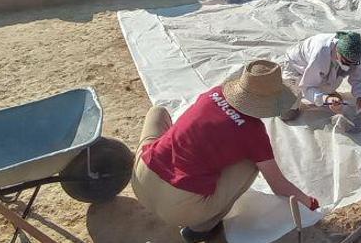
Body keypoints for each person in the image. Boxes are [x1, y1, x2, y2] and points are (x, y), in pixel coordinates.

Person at [131, 60, 319, 243]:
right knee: (253, 164)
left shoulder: (213, 93)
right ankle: (201, 228)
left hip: (141, 178)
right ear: (272, 102)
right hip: (179, 208)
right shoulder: (254, 133)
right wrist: (308, 202)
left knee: (157, 112)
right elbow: (278, 185)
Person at [280, 31, 361, 121]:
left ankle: (327, 93)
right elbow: (307, 87)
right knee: (288, 114)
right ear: (336, 50)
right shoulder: (320, 54)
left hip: (326, 67)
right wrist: (326, 99)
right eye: (345, 62)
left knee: (330, 92)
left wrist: (360, 98)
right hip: (295, 66)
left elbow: (359, 79)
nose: (348, 66)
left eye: (352, 63)